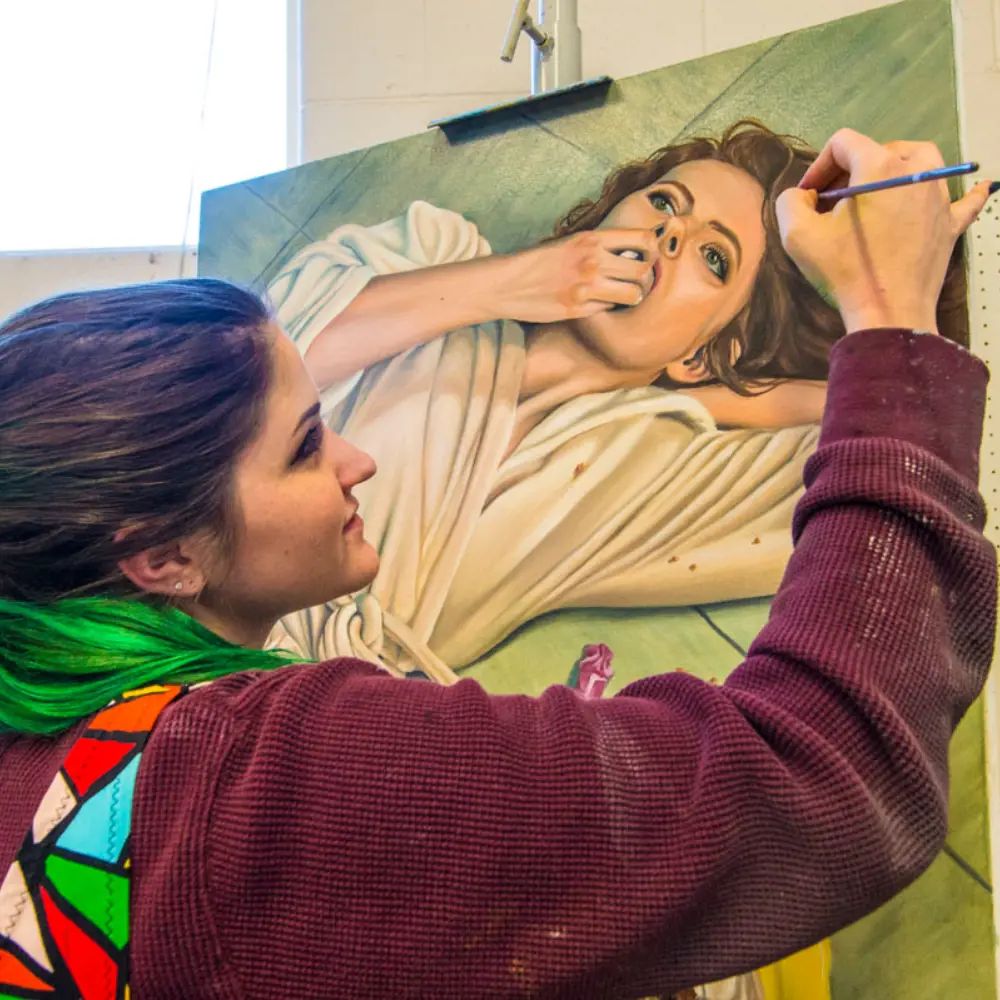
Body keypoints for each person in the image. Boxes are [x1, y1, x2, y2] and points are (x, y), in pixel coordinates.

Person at [0, 129, 994, 1000]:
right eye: (305, 445)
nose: (356, 458)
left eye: (711, 256)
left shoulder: (49, 751)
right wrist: (891, 321)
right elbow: (803, 784)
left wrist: (742, 387)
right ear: (164, 556)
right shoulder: (277, 773)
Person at [266, 121, 969, 679]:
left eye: (713, 257)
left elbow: (890, 444)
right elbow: (264, 368)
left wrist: (728, 397)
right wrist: (513, 282)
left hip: (335, 728)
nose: (669, 232)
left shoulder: (641, 463)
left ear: (705, 354)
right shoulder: (434, 249)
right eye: (664, 202)